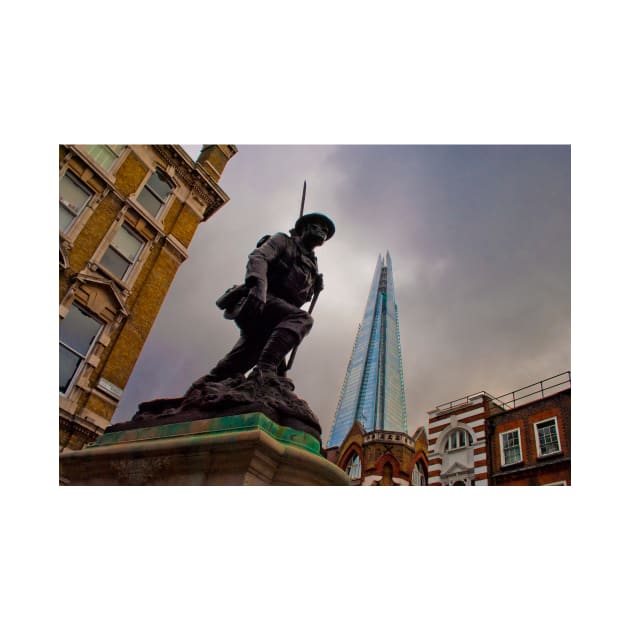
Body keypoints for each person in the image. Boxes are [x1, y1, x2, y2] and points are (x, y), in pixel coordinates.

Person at [209, 212, 335, 382]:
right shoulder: (283, 241)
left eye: (326, 230)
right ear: (305, 227)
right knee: (302, 319)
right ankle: (264, 369)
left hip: (276, 316)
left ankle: (202, 389)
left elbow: (298, 296)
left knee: (233, 366)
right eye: (319, 226)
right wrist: (258, 287)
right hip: (260, 301)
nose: (323, 230)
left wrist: (314, 289)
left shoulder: (313, 265)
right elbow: (258, 257)